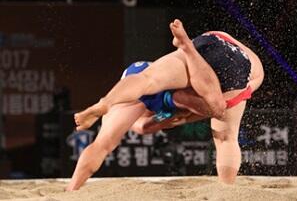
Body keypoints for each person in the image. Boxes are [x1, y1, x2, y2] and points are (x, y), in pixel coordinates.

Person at [69, 20, 264, 190]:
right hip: (216, 73)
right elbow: (220, 107)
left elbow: (154, 122)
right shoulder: (254, 67)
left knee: (145, 83)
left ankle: (105, 102)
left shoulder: (151, 113)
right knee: (224, 133)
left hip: (196, 53)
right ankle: (226, 189)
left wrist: (179, 115)